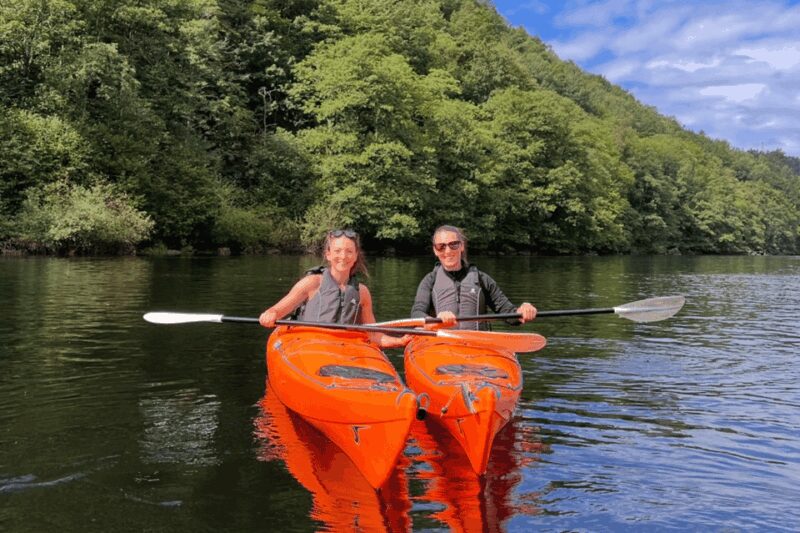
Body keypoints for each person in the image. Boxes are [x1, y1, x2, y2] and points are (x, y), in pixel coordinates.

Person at [259, 229, 409, 348]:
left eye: (349, 251)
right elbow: (277, 311)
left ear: (356, 255)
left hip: (342, 349)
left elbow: (373, 336)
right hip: (309, 346)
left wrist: (401, 341)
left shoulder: (362, 292)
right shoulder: (311, 283)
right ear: (328, 255)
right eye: (337, 251)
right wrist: (270, 314)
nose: (343, 256)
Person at [411, 225, 537, 330]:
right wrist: (436, 321)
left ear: (461, 246)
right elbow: (417, 314)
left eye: (453, 244)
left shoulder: (482, 279)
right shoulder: (429, 281)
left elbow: (509, 314)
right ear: (435, 250)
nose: (447, 251)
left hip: (477, 344)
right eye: (441, 246)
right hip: (442, 343)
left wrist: (523, 311)